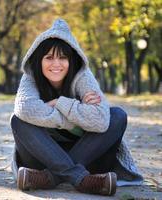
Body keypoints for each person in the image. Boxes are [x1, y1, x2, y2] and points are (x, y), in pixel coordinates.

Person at [10, 19, 143, 196]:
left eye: (62, 57)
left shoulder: (83, 77)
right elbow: (25, 109)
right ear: (38, 60)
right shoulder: (31, 78)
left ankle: (50, 178)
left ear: (71, 60)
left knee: (117, 115)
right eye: (49, 57)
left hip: (90, 159)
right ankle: (81, 179)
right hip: (41, 158)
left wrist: (60, 103)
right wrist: (78, 116)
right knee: (18, 120)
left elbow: (101, 121)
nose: (56, 64)